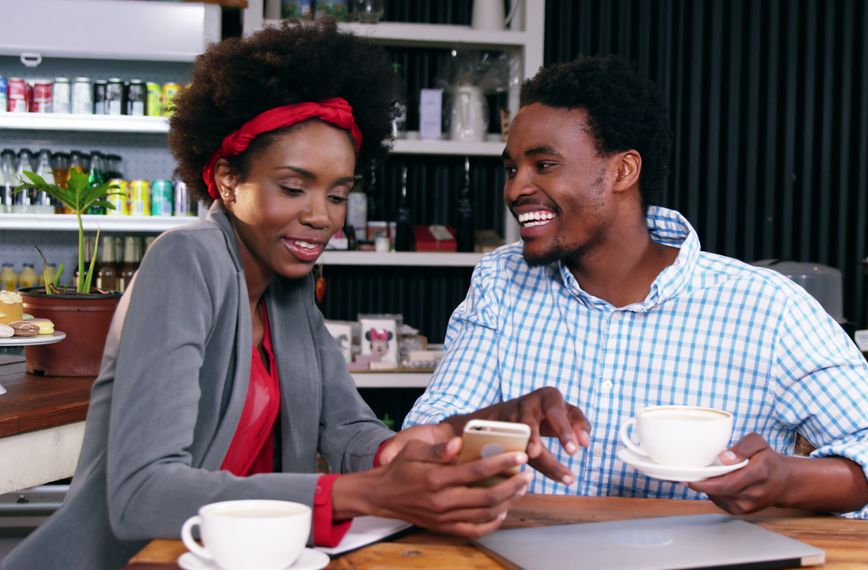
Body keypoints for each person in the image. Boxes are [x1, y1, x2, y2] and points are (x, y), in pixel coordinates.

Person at [3, 22, 529, 570]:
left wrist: (400, 453)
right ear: (229, 182)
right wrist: (364, 493)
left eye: (338, 193)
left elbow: (347, 426)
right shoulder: (184, 262)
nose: (320, 216)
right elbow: (143, 494)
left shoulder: (291, 287)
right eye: (293, 187)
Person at [404, 55, 868, 519]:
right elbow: (418, 444)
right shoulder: (502, 282)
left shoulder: (763, 307)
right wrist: (493, 421)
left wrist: (787, 480)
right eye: (513, 168)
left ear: (623, 171)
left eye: (543, 164)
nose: (517, 188)